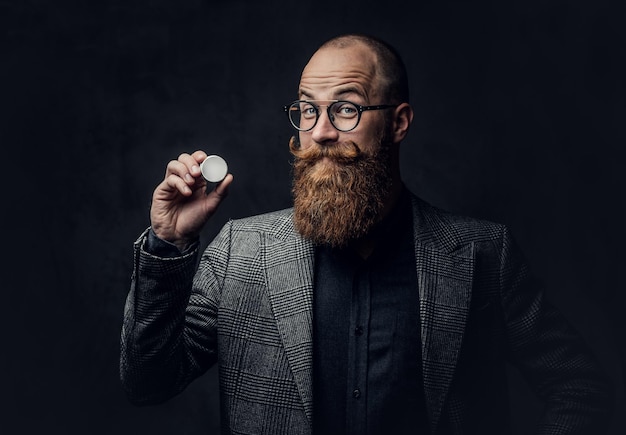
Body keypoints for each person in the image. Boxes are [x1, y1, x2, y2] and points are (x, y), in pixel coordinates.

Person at [120, 33, 613, 435]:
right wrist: (168, 243)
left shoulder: (482, 254)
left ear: (398, 123)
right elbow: (148, 383)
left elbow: (580, 388)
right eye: (308, 109)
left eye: (347, 109)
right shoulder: (238, 251)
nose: (321, 132)